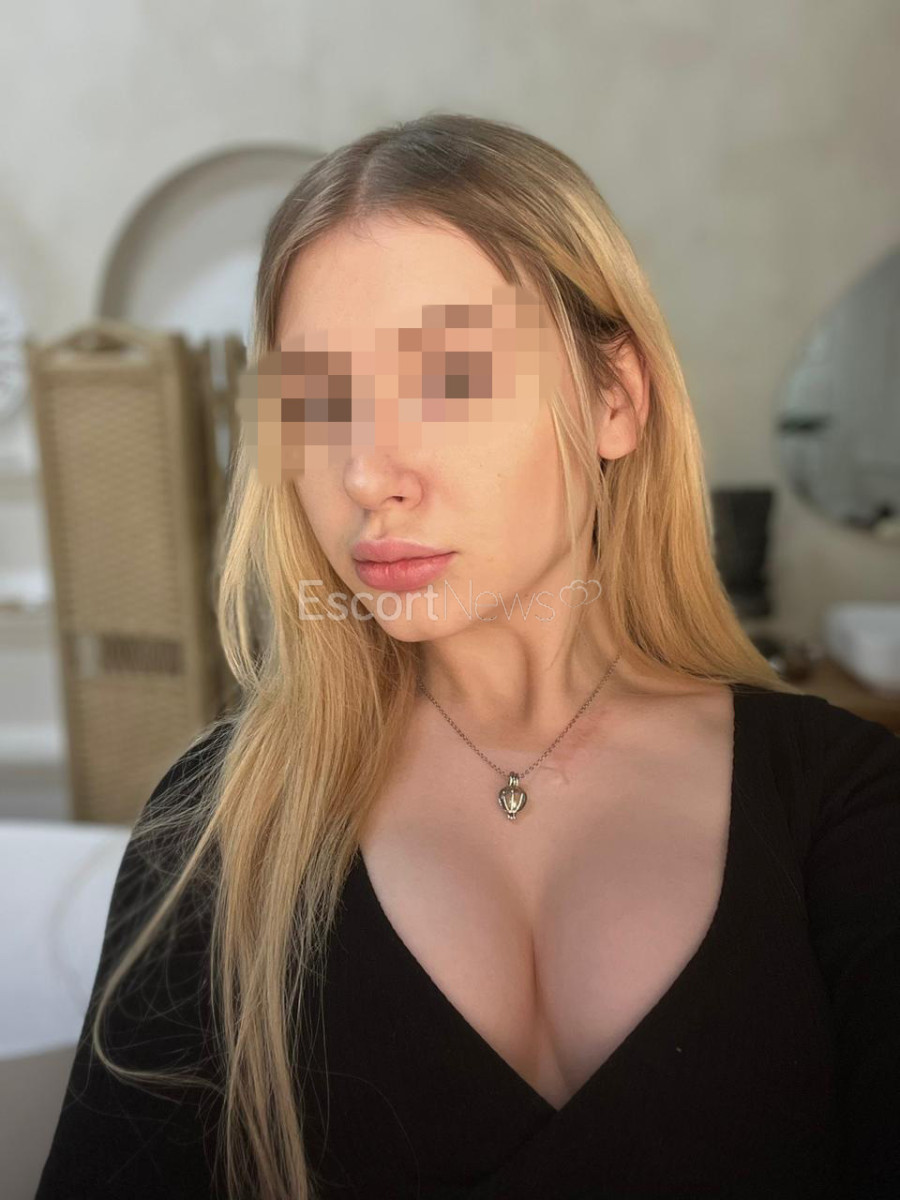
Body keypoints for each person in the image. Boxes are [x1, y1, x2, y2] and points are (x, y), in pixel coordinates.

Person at [35, 112, 900, 1200]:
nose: (367, 474)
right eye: (318, 399)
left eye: (446, 378)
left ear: (615, 400)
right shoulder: (216, 829)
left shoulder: (844, 805)